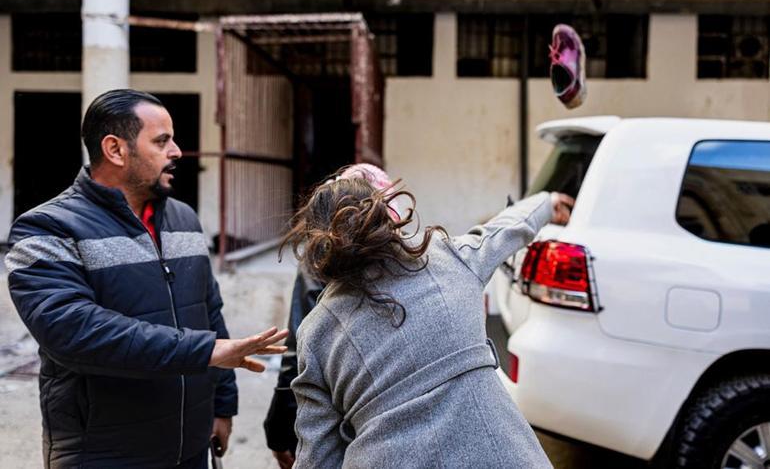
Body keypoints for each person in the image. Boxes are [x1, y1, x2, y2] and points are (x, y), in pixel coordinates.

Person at [5, 89, 288, 469]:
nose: (176, 152)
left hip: (189, 446)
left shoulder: (184, 219)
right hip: (103, 454)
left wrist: (222, 406)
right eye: (162, 141)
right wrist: (204, 351)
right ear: (115, 149)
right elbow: (71, 331)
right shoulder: (47, 229)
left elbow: (210, 313)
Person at [283, 172, 573, 468]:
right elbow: (508, 227)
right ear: (385, 217)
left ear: (317, 246)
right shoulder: (449, 258)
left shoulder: (316, 332)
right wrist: (547, 203)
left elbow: (317, 457)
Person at [263, 164, 397, 469]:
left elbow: (299, 357)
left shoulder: (319, 261)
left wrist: (279, 429)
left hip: (340, 415)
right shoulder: (409, 260)